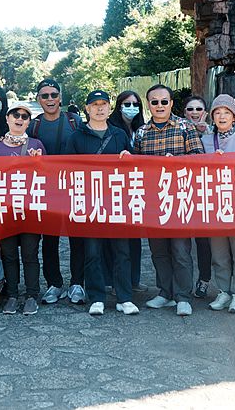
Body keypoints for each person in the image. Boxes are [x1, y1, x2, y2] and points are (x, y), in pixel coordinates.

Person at [66, 90, 139, 316]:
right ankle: (96, 297)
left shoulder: (119, 135)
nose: (99, 108)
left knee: (122, 251)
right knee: (93, 251)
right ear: (87, 109)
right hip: (90, 202)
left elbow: (133, 166)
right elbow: (66, 169)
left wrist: (129, 159)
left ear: (109, 108)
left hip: (117, 200)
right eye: (95, 104)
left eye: (104, 104)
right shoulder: (76, 137)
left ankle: (124, 297)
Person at [134, 84, 205, 316]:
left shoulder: (185, 127)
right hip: (152, 201)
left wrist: (176, 162)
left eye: (164, 101)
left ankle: (183, 297)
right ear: (148, 105)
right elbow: (135, 166)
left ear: (171, 103)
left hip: (179, 198)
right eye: (154, 102)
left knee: (181, 250)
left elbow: (199, 159)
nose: (159, 106)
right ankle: (165, 293)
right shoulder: (141, 132)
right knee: (158, 251)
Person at [28, 79, 86, 305]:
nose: (50, 99)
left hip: (73, 187)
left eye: (54, 95)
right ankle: (54, 283)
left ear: (60, 97)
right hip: (46, 190)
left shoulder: (74, 121)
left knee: (77, 237)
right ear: (38, 99)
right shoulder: (33, 125)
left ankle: (77, 283)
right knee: (49, 240)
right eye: (45, 96)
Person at [201, 95, 235, 314]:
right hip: (215, 203)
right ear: (212, 117)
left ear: (234, 117)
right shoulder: (206, 140)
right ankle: (223, 291)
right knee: (219, 252)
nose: (222, 116)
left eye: (226, 112)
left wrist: (229, 163)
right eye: (217, 112)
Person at [0, 102, 46, 316]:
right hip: (5, 210)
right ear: (7, 118)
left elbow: (47, 177)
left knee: (30, 254)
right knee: (9, 255)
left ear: (29, 122)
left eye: (24, 116)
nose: (19, 119)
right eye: (15, 114)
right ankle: (12, 295)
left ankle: (32, 295)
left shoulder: (37, 145)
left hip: (30, 209)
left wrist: (38, 162)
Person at [107, 90, 147, 290]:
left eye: (135, 104)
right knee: (115, 240)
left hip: (136, 190)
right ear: (119, 106)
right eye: (127, 104)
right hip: (115, 189)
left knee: (134, 239)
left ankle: (133, 280)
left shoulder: (142, 129)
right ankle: (114, 281)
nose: (131, 108)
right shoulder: (111, 128)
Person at [183, 95, 212, 299]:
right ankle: (182, 283)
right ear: (184, 112)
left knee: (204, 241)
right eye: (190, 109)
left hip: (207, 192)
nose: (195, 113)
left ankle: (204, 279)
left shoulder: (215, 132)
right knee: (182, 242)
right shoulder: (179, 130)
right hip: (183, 190)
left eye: (198, 109)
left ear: (206, 112)